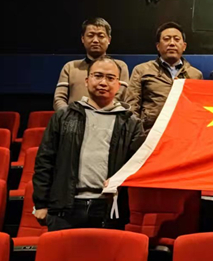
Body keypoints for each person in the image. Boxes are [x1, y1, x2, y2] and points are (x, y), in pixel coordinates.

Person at [33, 56, 145, 231]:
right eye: (97, 76)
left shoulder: (130, 122)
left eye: (110, 78)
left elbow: (136, 165)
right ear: (87, 81)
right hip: (65, 207)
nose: (103, 82)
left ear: (118, 85)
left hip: (108, 208)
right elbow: (45, 161)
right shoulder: (64, 116)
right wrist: (41, 203)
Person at [125, 22, 203, 131]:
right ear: (158, 46)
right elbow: (132, 107)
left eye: (177, 39)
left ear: (184, 46)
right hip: (150, 134)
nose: (172, 43)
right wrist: (136, 133)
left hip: (184, 132)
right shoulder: (141, 70)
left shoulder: (195, 75)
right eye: (166, 39)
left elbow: (199, 110)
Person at [54, 18, 129, 110]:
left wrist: (101, 114)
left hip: (109, 116)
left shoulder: (119, 66)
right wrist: (69, 115)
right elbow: (59, 99)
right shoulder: (70, 67)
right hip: (73, 117)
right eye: (90, 35)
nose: (95, 40)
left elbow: (121, 97)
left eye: (101, 36)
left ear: (109, 40)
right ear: (83, 39)